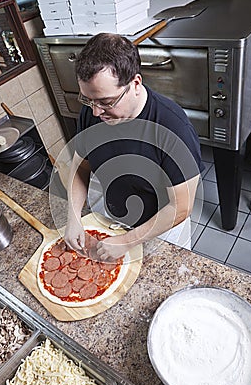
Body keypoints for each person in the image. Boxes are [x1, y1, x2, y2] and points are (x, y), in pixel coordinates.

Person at [65, 33, 204, 261]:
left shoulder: (173, 128)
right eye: (88, 100)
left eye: (106, 102)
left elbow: (181, 206)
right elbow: (81, 167)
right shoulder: (93, 113)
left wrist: (127, 241)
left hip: (162, 229)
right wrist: (74, 217)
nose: (96, 112)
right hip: (113, 217)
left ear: (135, 83)